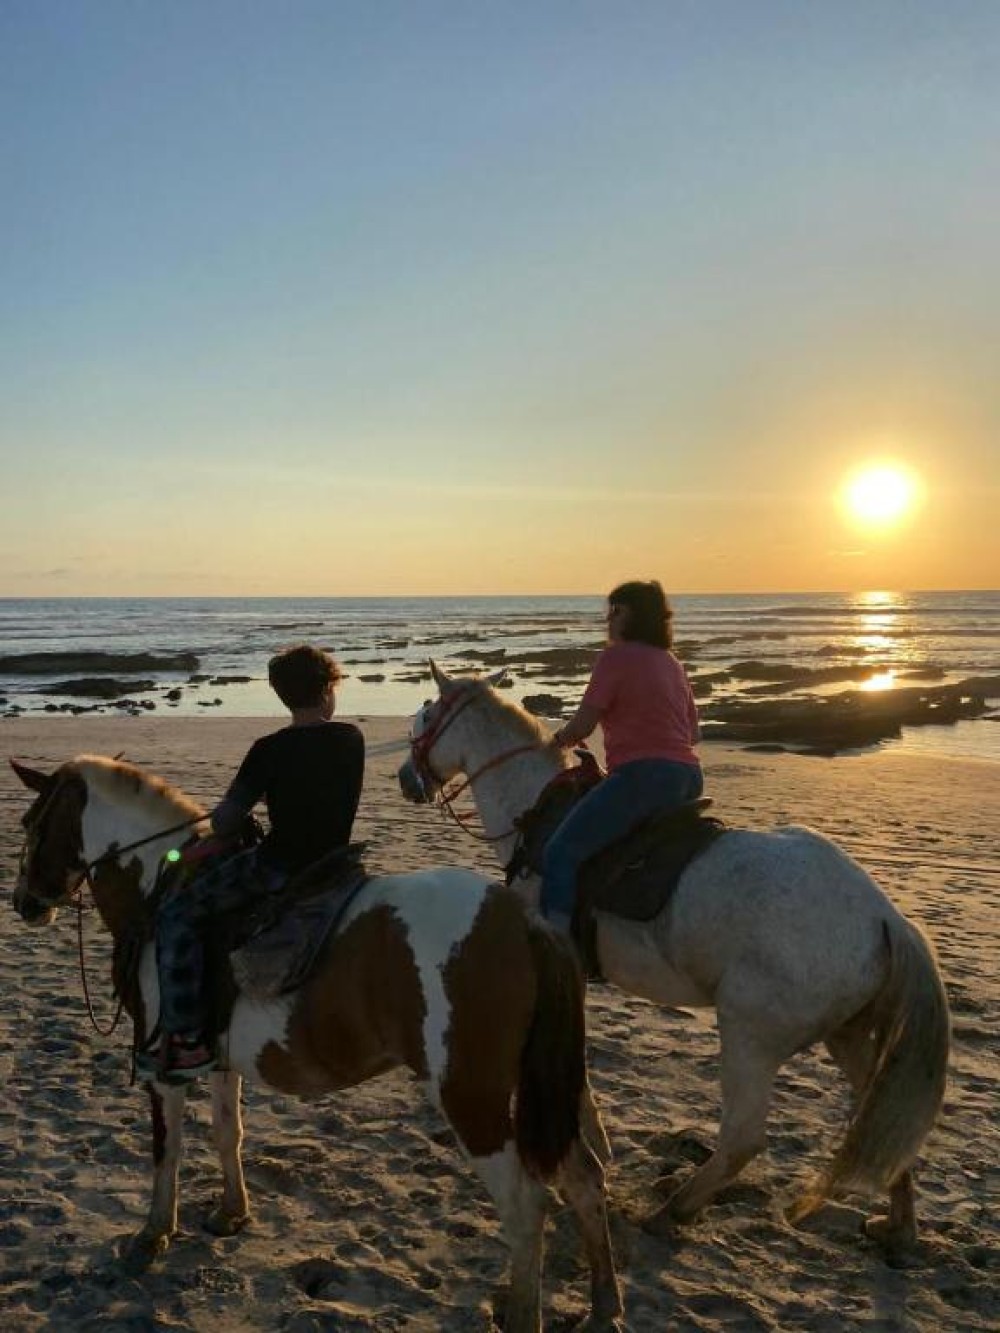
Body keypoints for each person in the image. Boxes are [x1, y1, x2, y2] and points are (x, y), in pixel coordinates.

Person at [140, 643, 365, 1081]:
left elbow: (224, 823)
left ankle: (186, 1042)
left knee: (175, 914)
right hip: (337, 862)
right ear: (327, 691)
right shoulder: (350, 738)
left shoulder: (268, 749)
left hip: (280, 866)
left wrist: (250, 801)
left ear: (283, 695)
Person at [541, 580, 702, 932]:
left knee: (560, 853)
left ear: (636, 615)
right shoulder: (672, 662)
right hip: (689, 777)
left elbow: (583, 725)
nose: (608, 619)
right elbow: (694, 734)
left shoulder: (615, 657)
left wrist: (557, 741)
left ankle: (556, 945)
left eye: (616, 610)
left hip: (642, 778)